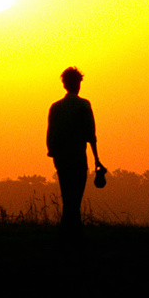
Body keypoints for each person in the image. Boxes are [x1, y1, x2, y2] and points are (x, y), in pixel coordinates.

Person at [46, 66, 105, 241]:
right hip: (78, 157)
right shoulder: (84, 104)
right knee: (76, 198)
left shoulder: (55, 107)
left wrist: (54, 155)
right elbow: (90, 134)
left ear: (64, 85)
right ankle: (74, 233)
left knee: (67, 195)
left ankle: (66, 233)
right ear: (78, 84)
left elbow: (50, 135)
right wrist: (97, 159)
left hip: (61, 158)